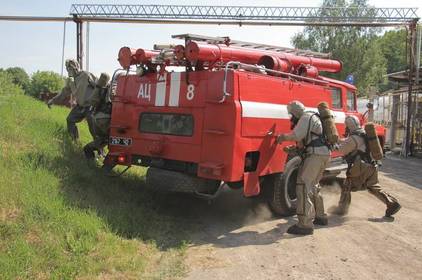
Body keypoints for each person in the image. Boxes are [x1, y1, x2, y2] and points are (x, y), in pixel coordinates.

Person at [277, 101, 330, 235]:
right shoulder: (314, 117)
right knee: (313, 185)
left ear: (295, 112)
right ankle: (320, 216)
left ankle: (305, 224)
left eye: (291, 114)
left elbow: (296, 135)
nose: (291, 117)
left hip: (315, 156)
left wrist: (282, 137)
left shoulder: (305, 117)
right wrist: (293, 149)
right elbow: (311, 141)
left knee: (302, 185)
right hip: (323, 154)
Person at [335, 115, 401, 217]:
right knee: (373, 187)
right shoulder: (365, 133)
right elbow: (351, 142)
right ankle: (392, 203)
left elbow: (341, 150)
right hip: (372, 164)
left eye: (346, 126)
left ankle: (342, 209)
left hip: (361, 167)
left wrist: (334, 144)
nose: (346, 128)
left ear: (349, 126)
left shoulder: (354, 137)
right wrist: (340, 140)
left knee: (347, 185)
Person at [47, 59, 97, 141]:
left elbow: (98, 85)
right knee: (70, 119)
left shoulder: (86, 75)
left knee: (93, 129)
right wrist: (52, 100)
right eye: (67, 68)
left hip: (90, 107)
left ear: (76, 67)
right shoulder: (70, 80)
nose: (69, 70)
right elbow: (64, 92)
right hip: (80, 106)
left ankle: (100, 150)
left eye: (70, 68)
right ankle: (74, 141)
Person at [83, 73, 112, 160]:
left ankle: (92, 159)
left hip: (99, 118)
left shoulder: (100, 88)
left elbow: (92, 102)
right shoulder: (112, 88)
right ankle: (101, 156)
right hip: (109, 119)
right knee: (107, 139)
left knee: (102, 139)